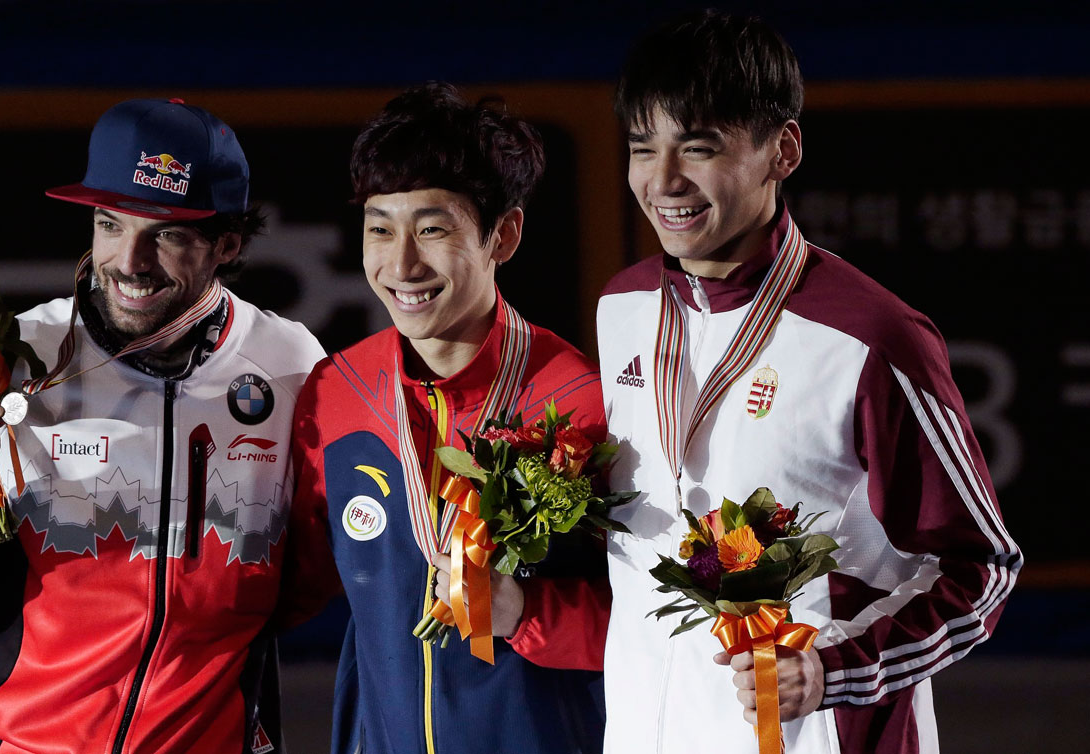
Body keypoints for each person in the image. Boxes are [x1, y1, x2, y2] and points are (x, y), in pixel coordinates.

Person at [594, 10, 1022, 754]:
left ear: (782, 150)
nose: (663, 182)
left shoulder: (869, 337)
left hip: (818, 736)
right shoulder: (621, 309)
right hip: (645, 733)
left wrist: (833, 670)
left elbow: (982, 570)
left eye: (698, 149)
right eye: (642, 149)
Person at [0, 98, 329, 754]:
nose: (129, 260)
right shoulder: (7, 359)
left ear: (226, 244)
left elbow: (309, 575)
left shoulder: (290, 366)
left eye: (166, 233)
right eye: (110, 224)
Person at [289, 82, 611, 754]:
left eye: (433, 229)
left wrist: (527, 611)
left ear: (505, 235)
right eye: (380, 229)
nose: (401, 264)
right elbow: (295, 587)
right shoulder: (334, 392)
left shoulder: (581, 399)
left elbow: (648, 624)